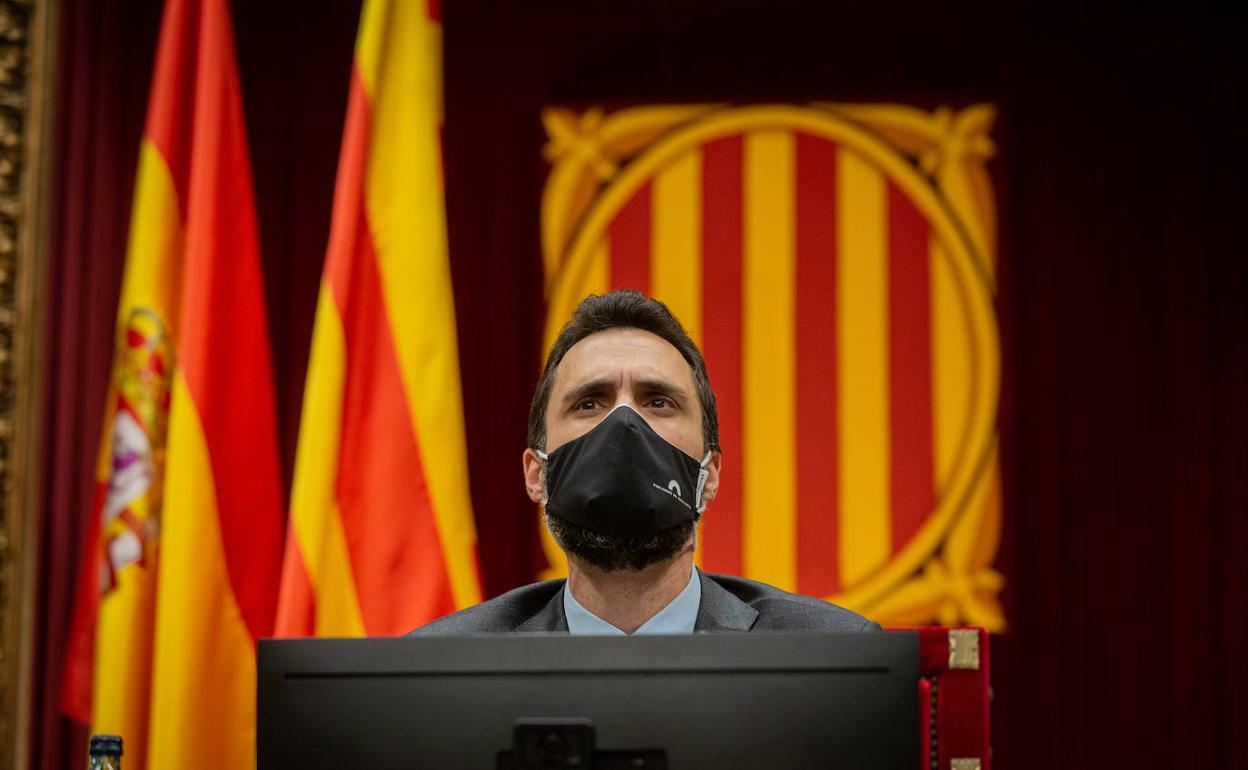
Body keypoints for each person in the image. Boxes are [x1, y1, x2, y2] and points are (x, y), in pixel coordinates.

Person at [412, 290, 879, 635]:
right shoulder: (447, 668)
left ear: (709, 474)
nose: (624, 424)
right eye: (589, 403)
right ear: (536, 474)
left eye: (657, 401)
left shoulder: (833, 654)